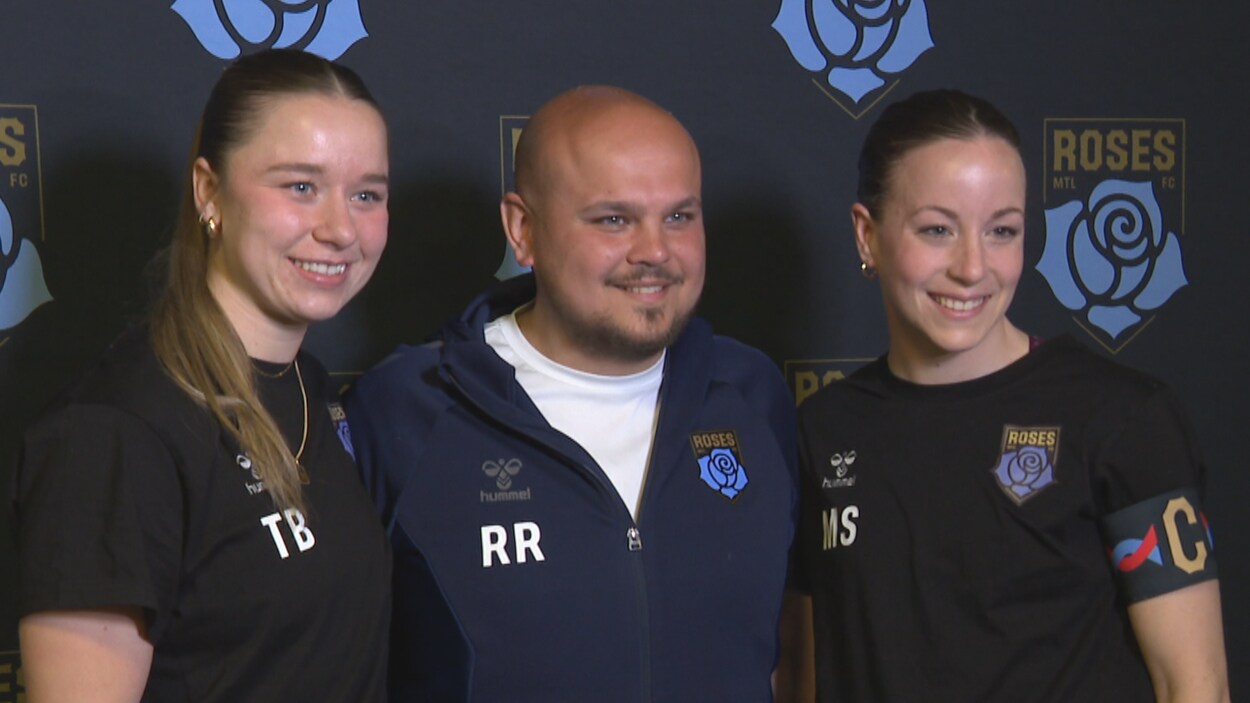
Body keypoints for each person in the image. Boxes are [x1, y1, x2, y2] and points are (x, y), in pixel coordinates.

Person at [346, 85, 798, 702]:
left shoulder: (753, 394)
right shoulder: (403, 411)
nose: (655, 251)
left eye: (679, 217)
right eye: (614, 219)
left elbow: (782, 651)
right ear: (523, 229)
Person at [782, 89, 1229, 702]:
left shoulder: (1122, 417)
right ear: (867, 235)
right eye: (937, 229)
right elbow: (808, 676)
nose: (973, 267)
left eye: (1002, 230)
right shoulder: (824, 429)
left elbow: (1195, 684)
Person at [12, 49, 392, 702]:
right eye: (300, 187)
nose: (340, 229)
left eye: (367, 195)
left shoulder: (311, 389)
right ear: (209, 191)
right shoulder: (114, 431)